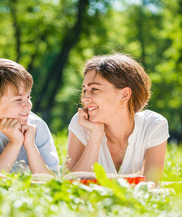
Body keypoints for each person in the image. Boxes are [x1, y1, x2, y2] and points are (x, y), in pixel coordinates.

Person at [65, 53, 169, 183]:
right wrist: (95, 136)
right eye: (84, 90)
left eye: (94, 89)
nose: (84, 98)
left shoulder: (153, 126)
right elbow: (68, 185)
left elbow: (151, 187)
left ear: (124, 95)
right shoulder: (81, 123)